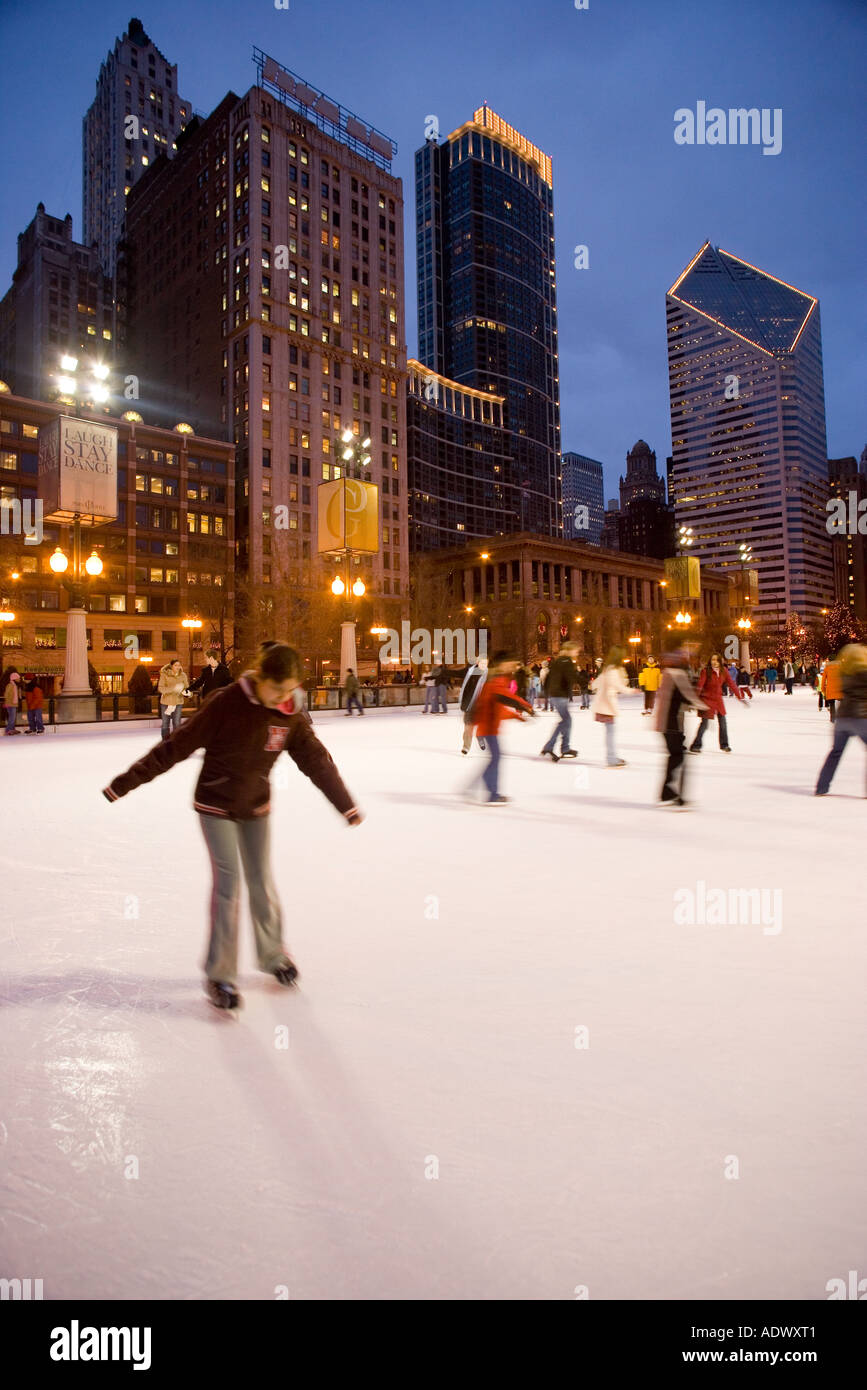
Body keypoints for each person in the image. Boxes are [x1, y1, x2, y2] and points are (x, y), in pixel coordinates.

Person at [102, 642, 362, 1010]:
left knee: (261, 881)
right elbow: (175, 746)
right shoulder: (226, 702)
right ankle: (220, 975)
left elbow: (317, 762)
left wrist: (345, 805)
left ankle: (273, 955)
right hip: (215, 804)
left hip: (256, 805)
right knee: (229, 885)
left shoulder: (289, 713)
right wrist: (124, 783)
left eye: (290, 690)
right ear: (261, 678)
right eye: (278, 689)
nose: (285, 697)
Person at [471, 651, 534, 804]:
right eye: (510, 664)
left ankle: (486, 789)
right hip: (488, 727)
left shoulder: (501, 680)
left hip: (490, 727)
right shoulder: (495, 681)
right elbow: (503, 697)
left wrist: (517, 716)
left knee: (495, 759)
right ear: (501, 665)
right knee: (496, 758)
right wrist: (523, 705)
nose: (513, 667)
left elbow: (500, 707)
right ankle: (491, 793)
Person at [655, 649, 709, 808]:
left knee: (674, 756)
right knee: (677, 756)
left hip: (663, 723)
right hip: (673, 723)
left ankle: (668, 791)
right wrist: (703, 706)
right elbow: (687, 695)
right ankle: (670, 792)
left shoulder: (665, 674)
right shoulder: (677, 674)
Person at [815, 645, 867, 796]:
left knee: (835, 752)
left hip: (843, 718)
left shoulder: (845, 673)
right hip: (861, 718)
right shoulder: (864, 673)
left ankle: (821, 787)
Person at [689, 653, 744, 753]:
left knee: (723, 723)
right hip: (707, 699)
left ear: (720, 661)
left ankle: (724, 745)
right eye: (713, 660)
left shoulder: (724, 671)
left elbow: (731, 683)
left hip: (718, 700)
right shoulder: (706, 671)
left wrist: (739, 696)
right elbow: (700, 685)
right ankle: (696, 745)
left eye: (716, 660)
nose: (714, 662)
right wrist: (695, 699)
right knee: (704, 724)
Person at [540, 642, 580, 762]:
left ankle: (563, 748)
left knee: (566, 721)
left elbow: (548, 678)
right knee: (566, 720)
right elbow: (571, 676)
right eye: (576, 651)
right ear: (569, 650)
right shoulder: (566, 661)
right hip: (559, 695)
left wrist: (547, 692)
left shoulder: (557, 661)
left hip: (555, 694)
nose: (577, 653)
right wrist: (586, 682)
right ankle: (552, 747)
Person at [590, 647, 629, 767]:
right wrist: (631, 690)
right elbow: (619, 686)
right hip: (607, 705)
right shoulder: (613, 670)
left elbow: (595, 684)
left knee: (609, 731)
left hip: (604, 704)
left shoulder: (608, 669)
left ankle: (611, 757)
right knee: (610, 732)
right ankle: (611, 758)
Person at [459, 656, 488, 754]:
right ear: (477, 663)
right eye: (482, 663)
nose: (484, 665)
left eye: (485, 663)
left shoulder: (488, 675)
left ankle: (480, 737)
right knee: (468, 727)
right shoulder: (471, 673)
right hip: (470, 705)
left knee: (482, 726)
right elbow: (466, 689)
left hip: (482, 705)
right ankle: (466, 746)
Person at [158, 658, 188, 740]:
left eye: (179, 665)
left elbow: (186, 688)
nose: (178, 667)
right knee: (165, 723)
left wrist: (187, 693)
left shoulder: (183, 675)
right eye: (176, 665)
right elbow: (161, 688)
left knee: (177, 723)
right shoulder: (164, 675)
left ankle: (176, 741)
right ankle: (165, 741)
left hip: (178, 702)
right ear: (171, 666)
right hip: (166, 703)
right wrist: (173, 688)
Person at [820, 655, 842, 724]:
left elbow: (823, 680)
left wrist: (822, 689)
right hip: (840, 688)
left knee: (832, 704)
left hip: (830, 689)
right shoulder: (841, 667)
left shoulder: (827, 668)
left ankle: (833, 718)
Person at [2, 667, 21, 736]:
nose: (19, 679)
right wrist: (7, 702)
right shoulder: (10, 685)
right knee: (12, 718)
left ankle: (12, 729)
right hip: (10, 704)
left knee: (13, 717)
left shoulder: (15, 686)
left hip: (13, 704)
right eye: (18, 678)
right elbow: (6, 695)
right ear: (14, 679)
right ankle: (8, 730)